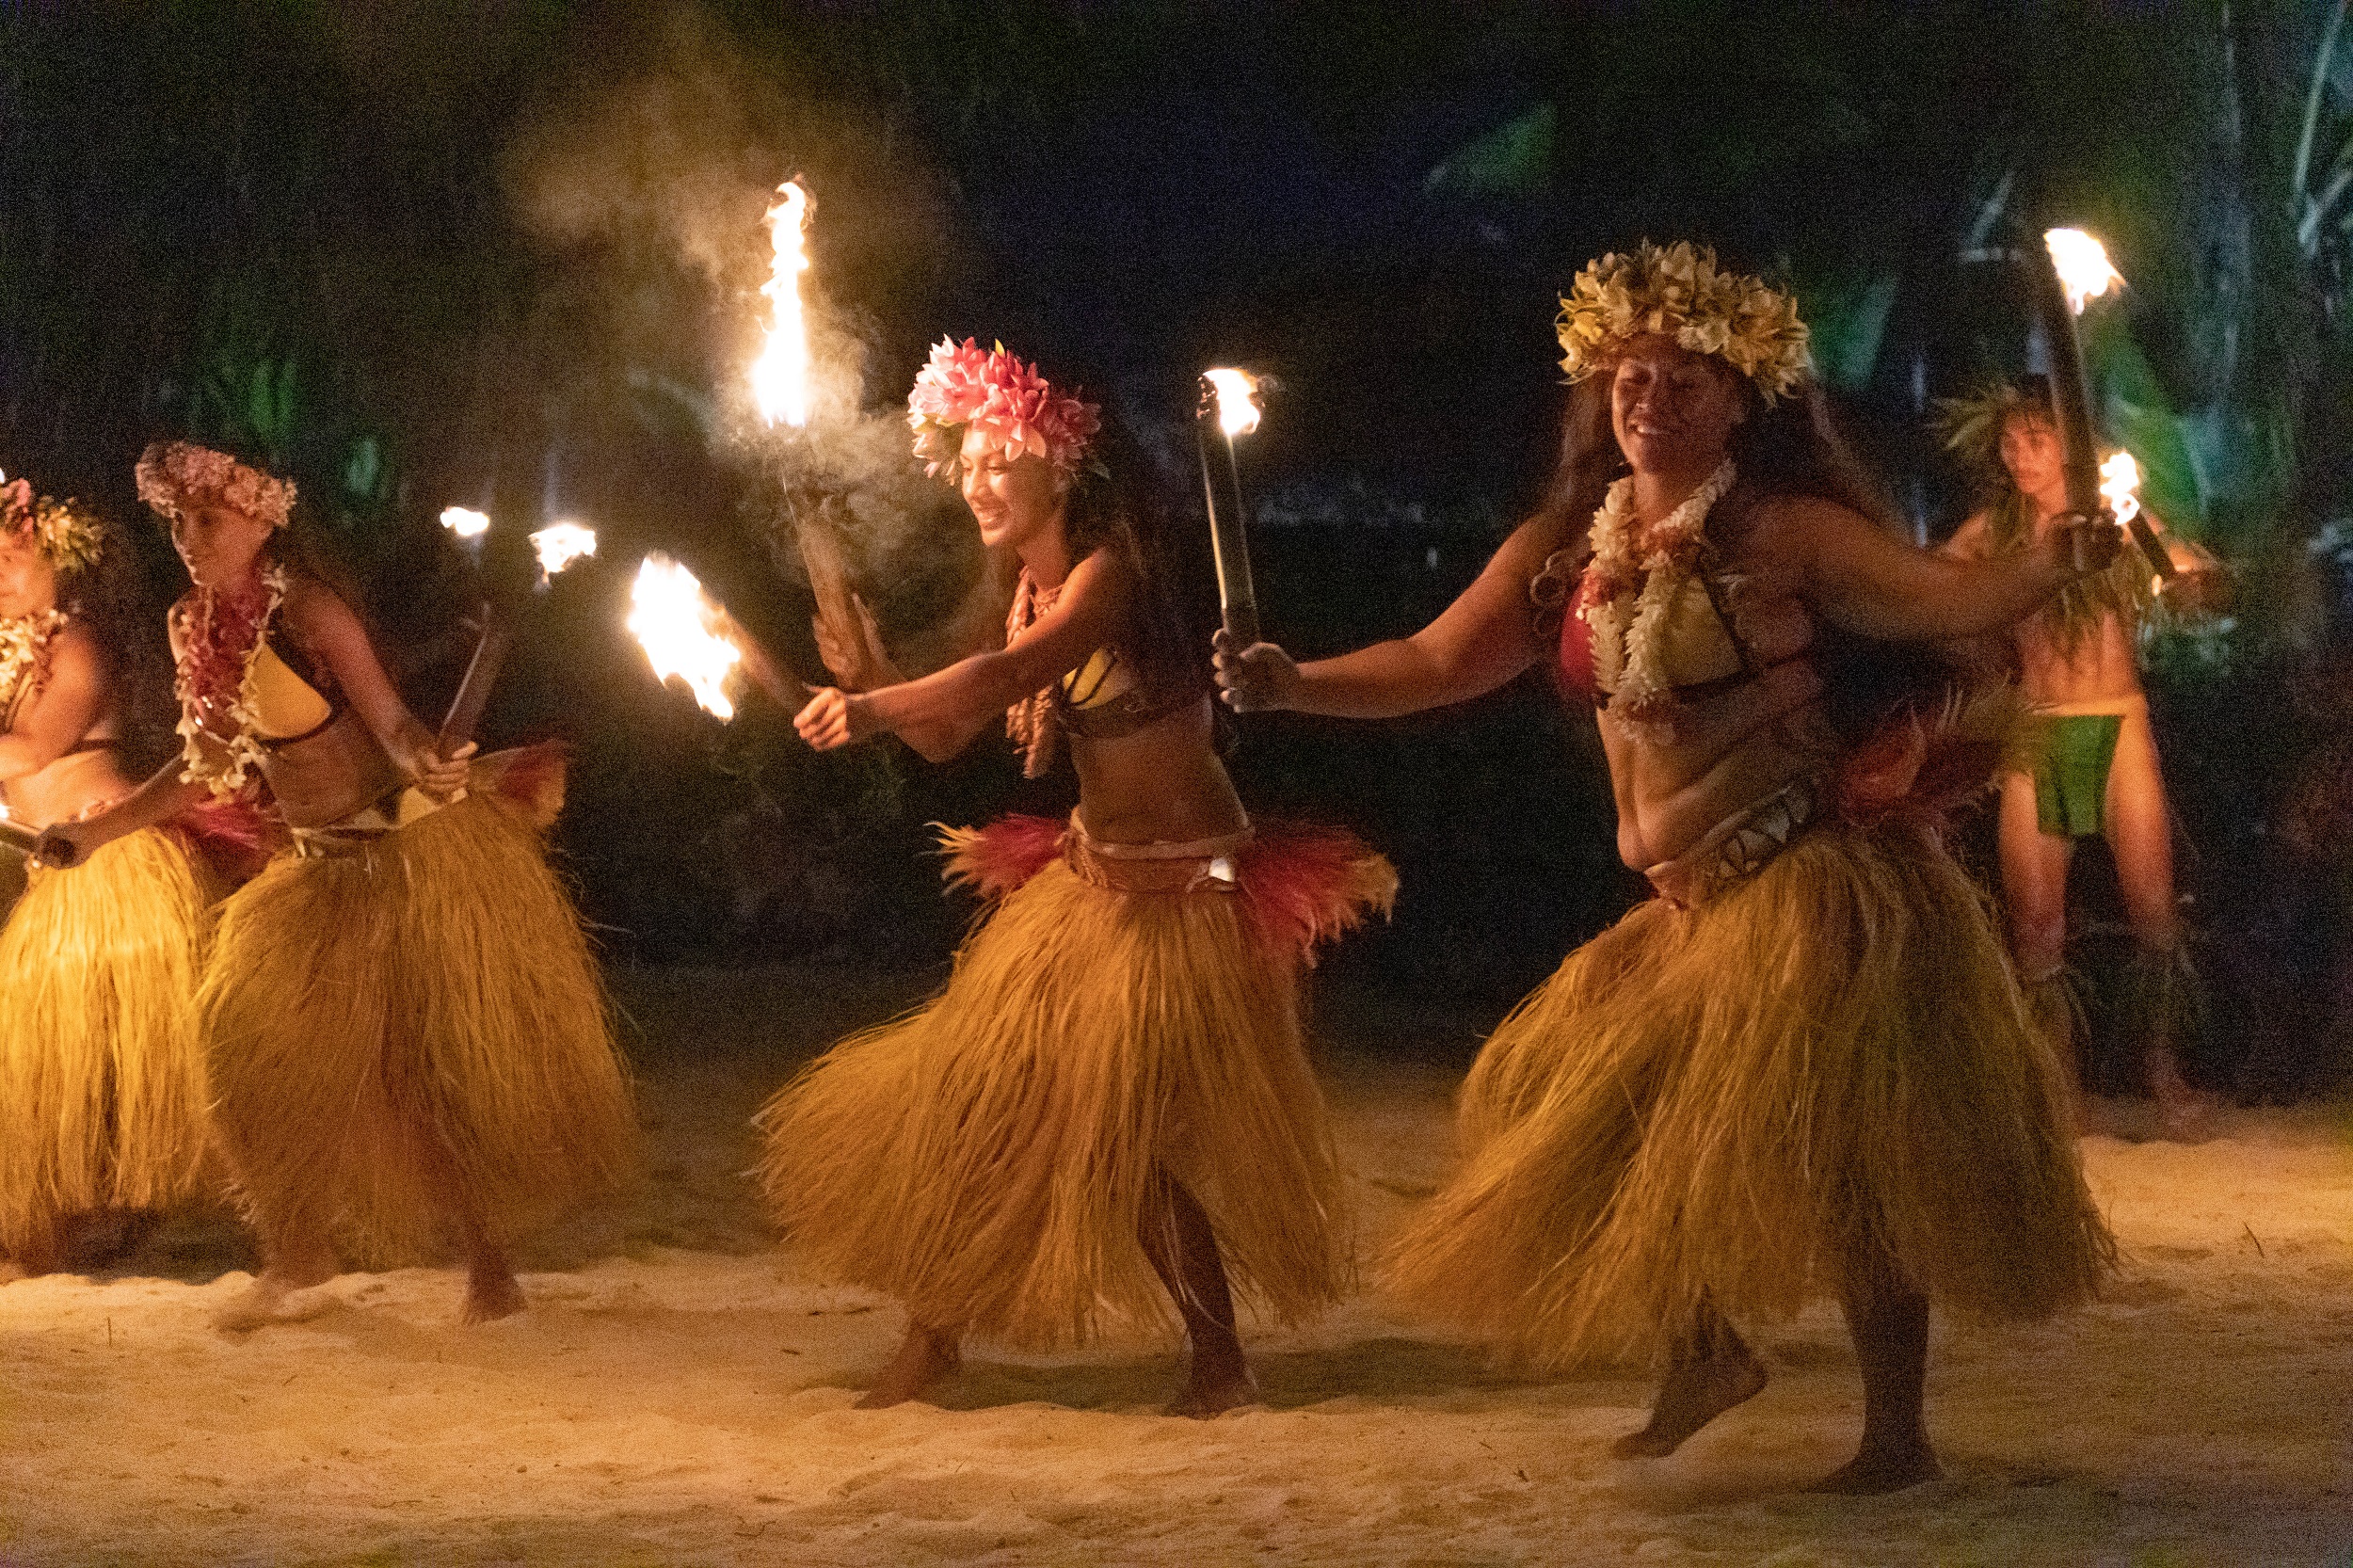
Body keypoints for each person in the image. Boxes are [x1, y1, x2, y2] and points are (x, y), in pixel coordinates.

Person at [1214, 243, 2116, 1491]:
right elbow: (1433, 661)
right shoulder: (1571, 550)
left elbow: (1935, 601)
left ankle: (1896, 1431)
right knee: (1568, 1103)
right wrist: (1293, 684)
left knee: (1855, 1152)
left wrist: (2045, 561)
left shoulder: (1786, 533)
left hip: (1809, 888)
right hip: (1687, 902)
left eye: (1682, 380)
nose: (1647, 399)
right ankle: (1704, 1350)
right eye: (1629, 378)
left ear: (1743, 397)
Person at [758, 340, 1393, 1416]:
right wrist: (872, 675)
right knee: (977, 1094)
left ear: (1065, 465)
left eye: (1001, 456)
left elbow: (1007, 676)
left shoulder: (1110, 577)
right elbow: (950, 732)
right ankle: (935, 1335)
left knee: (1127, 1133)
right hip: (1089, 881)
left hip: (1186, 893)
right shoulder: (1014, 583)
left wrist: (871, 705)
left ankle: (1218, 1358)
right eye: (964, 459)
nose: (976, 479)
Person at [38, 441, 634, 1327]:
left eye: (211, 520)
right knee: (244, 1045)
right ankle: (298, 1258)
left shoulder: (313, 614)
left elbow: (392, 723)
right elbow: (203, 765)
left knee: (432, 1076)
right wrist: (95, 832)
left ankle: (490, 1266)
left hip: (409, 861)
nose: (190, 537)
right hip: (314, 872)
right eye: (178, 521)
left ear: (263, 521)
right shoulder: (188, 624)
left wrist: (427, 760)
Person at [1938, 380, 2225, 1135]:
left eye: (2037, 438)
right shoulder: (1995, 532)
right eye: (2010, 442)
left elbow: (2181, 566)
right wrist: (1979, 660)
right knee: (2038, 926)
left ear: (2068, 441)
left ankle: (2166, 1078)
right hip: (2043, 725)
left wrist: (2199, 582)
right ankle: (2058, 1086)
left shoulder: (2110, 518)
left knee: (2155, 916)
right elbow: (1930, 591)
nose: (2022, 454)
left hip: (2119, 721)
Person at [0, 475, 244, 1277]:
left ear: (62, 569)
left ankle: (94, 1221)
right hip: (51, 874)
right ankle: (56, 1228)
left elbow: (32, 751)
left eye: (15, 558)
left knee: (92, 1063)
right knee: (50, 1064)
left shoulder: (78, 646)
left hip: (109, 873)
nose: (0, 573)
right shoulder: (13, 652)